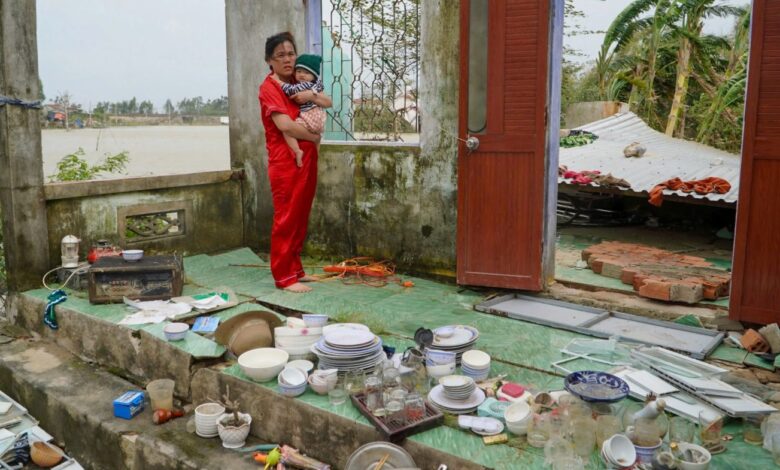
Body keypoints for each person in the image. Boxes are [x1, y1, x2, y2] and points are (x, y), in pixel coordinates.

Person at [258, 32, 332, 293]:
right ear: (270, 60)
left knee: (301, 216)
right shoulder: (270, 88)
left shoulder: (297, 82)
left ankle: (296, 269)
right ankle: (283, 276)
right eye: (281, 55)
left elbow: (323, 102)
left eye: (291, 53)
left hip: (306, 159)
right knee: (286, 217)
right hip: (285, 161)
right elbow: (285, 125)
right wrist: (313, 135)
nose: (288, 59)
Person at [275, 54, 326, 167]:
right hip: (319, 119)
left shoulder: (306, 85)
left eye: (306, 73)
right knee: (316, 139)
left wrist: (278, 82)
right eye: (299, 71)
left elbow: (292, 90)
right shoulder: (317, 85)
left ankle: (297, 151)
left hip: (310, 117)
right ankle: (316, 157)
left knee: (288, 131)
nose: (302, 75)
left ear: (314, 76)